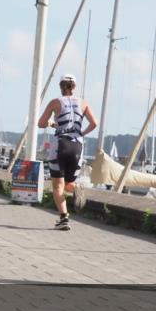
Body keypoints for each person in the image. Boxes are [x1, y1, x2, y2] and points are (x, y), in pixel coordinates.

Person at [37, 74, 97, 230]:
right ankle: (77, 188)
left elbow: (41, 123)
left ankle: (64, 218)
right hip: (77, 146)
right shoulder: (83, 103)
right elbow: (94, 123)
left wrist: (52, 123)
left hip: (60, 145)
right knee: (69, 183)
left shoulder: (55, 102)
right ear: (74, 87)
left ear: (61, 87)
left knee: (57, 186)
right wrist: (81, 133)